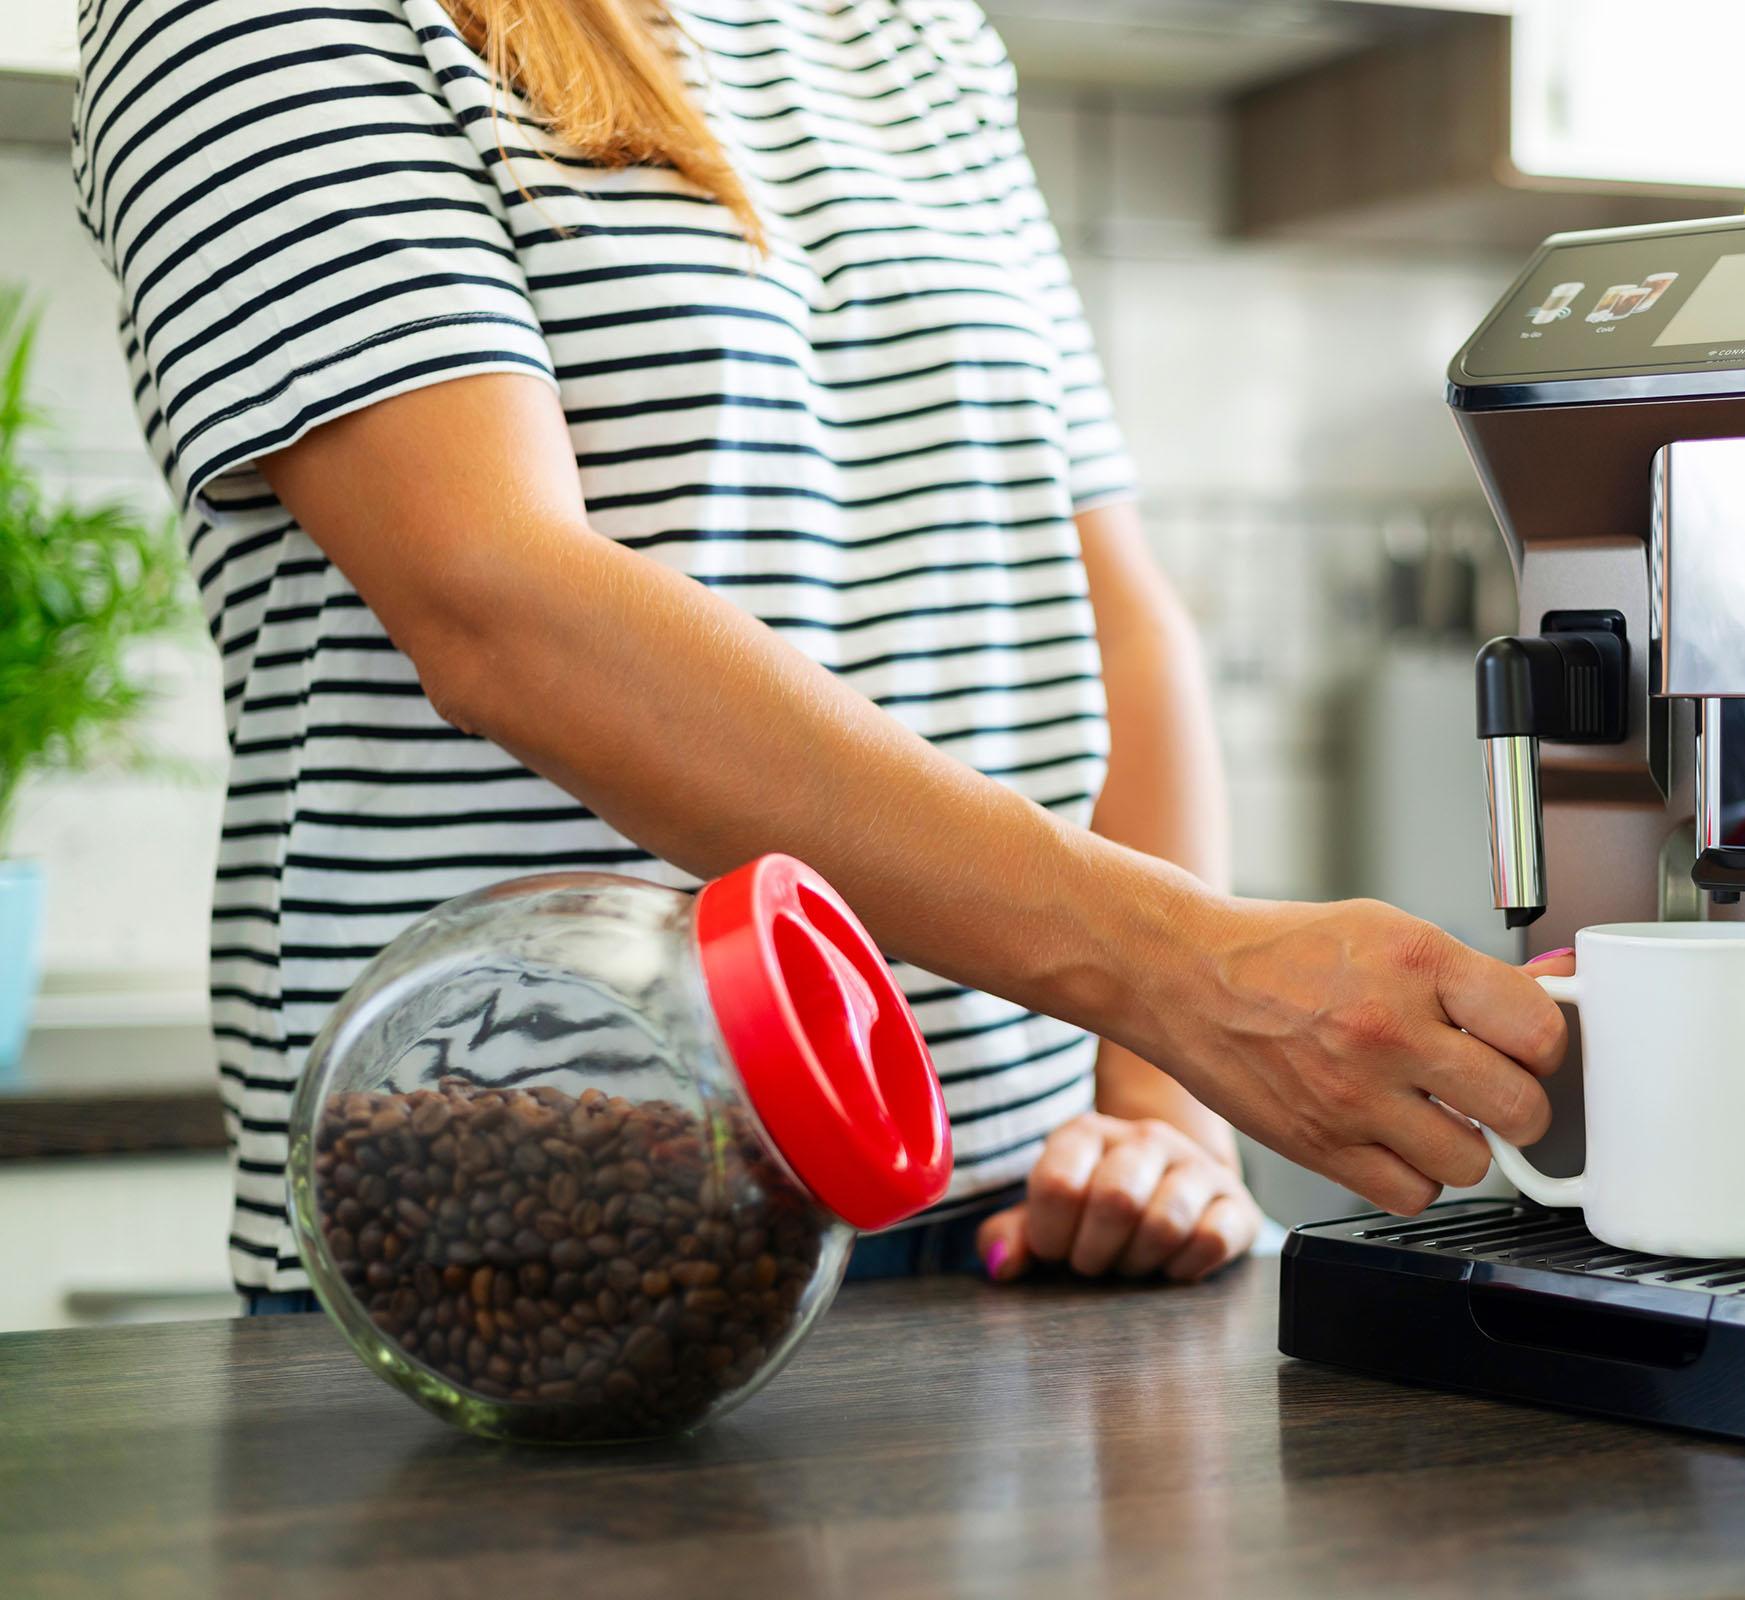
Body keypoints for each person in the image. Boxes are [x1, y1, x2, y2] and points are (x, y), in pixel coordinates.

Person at [71, 0, 1565, 1308]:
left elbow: (1107, 602)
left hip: (1015, 1244)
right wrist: (1190, 974)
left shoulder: (903, 32)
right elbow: (498, 607)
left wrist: (1158, 1107)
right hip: (531, 1251)